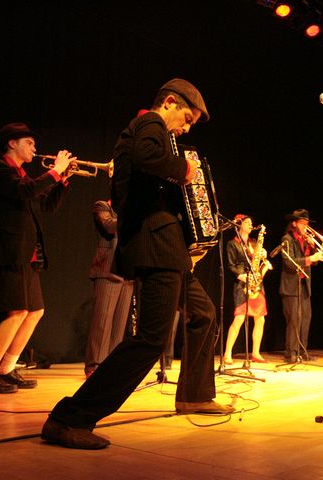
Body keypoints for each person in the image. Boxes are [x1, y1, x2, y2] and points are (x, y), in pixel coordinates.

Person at [42, 78, 233, 450]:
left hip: (169, 246)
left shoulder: (155, 130)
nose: (187, 126)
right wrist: (184, 170)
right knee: (150, 340)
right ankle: (70, 417)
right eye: (188, 117)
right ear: (171, 103)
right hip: (156, 244)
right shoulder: (150, 123)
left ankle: (193, 394)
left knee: (204, 313)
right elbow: (148, 158)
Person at [0, 123, 73, 394]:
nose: (35, 148)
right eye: (29, 142)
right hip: (7, 252)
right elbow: (26, 192)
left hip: (25, 255)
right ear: (12, 144)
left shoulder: (22, 176)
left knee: (35, 311)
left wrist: (61, 182)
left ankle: (6, 368)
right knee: (16, 311)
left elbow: (47, 206)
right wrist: (55, 171)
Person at [83, 200, 134, 377]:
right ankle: (94, 365)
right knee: (102, 322)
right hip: (107, 270)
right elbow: (109, 226)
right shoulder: (103, 206)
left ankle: (111, 365)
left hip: (127, 272)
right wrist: (134, 214)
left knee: (119, 325)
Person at [223, 214, 271, 365]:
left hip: (256, 283)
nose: (251, 225)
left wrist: (263, 255)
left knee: (260, 319)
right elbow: (230, 265)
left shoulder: (254, 242)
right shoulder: (232, 243)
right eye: (248, 222)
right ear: (240, 225)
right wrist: (240, 275)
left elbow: (257, 260)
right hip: (242, 284)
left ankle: (255, 353)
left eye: (252, 222)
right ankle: (227, 353)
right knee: (239, 319)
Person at [279, 209, 323, 363]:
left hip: (304, 285)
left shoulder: (306, 240)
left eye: (307, 223)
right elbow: (289, 262)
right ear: (294, 223)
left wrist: (313, 247)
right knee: (294, 320)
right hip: (291, 286)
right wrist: (310, 257)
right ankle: (290, 353)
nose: (306, 226)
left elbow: (315, 261)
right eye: (303, 223)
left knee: (305, 318)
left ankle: (302, 350)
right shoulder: (287, 239)